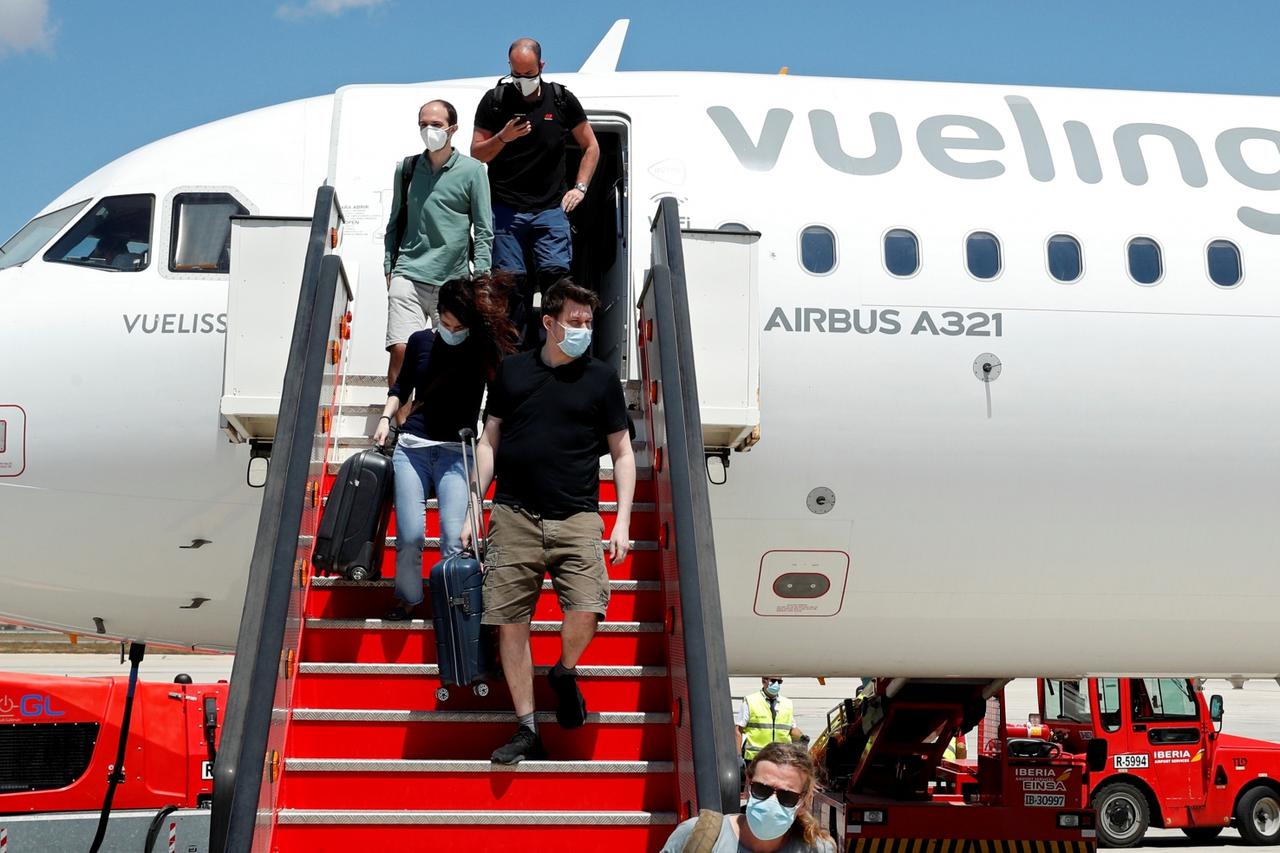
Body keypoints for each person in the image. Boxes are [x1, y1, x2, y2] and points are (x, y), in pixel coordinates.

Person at [463, 277, 634, 764]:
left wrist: (621, 520)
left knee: (588, 608)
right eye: (574, 321)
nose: (583, 329)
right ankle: (527, 728)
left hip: (577, 515)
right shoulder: (513, 372)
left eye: (588, 322)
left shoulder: (601, 379)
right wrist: (475, 503)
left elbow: (622, 452)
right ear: (548, 323)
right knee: (510, 621)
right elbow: (489, 440)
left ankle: (563, 670)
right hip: (514, 513)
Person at [373, 275, 517, 621]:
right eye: (447, 324)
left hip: (456, 451)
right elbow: (401, 388)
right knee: (410, 535)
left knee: (455, 537)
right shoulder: (421, 342)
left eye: (460, 327)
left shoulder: (481, 348)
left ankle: (453, 608)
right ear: (437, 314)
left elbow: (499, 396)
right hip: (413, 447)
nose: (453, 331)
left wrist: (492, 436)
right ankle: (407, 599)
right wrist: (385, 418)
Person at [470, 37, 599, 346]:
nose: (522, 80)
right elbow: (477, 153)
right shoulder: (495, 101)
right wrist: (503, 137)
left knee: (556, 281)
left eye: (529, 74)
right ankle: (514, 358)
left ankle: (559, 351)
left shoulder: (562, 100)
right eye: (516, 74)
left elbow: (591, 146)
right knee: (512, 287)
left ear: (542, 66)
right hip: (506, 210)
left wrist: (580, 188)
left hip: (550, 208)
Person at [384, 99, 494, 387]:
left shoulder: (473, 171)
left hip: (453, 281)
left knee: (447, 358)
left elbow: (484, 229)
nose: (428, 130)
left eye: (436, 124)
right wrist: (389, 268)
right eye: (423, 124)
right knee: (401, 350)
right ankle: (397, 414)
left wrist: (482, 278)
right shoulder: (406, 169)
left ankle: (431, 413)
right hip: (408, 273)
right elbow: (394, 221)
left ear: (452, 129)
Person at [660, 743, 836, 853]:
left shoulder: (818, 849)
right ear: (747, 787)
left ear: (804, 803)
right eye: (762, 789)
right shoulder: (696, 835)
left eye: (787, 796)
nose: (771, 801)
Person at [738, 677, 805, 766]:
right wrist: (738, 756)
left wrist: (802, 737)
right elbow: (738, 730)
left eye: (779, 681)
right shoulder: (751, 701)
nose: (776, 684)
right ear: (764, 681)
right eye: (773, 681)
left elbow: (791, 729)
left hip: (782, 759)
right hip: (756, 759)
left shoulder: (787, 703)